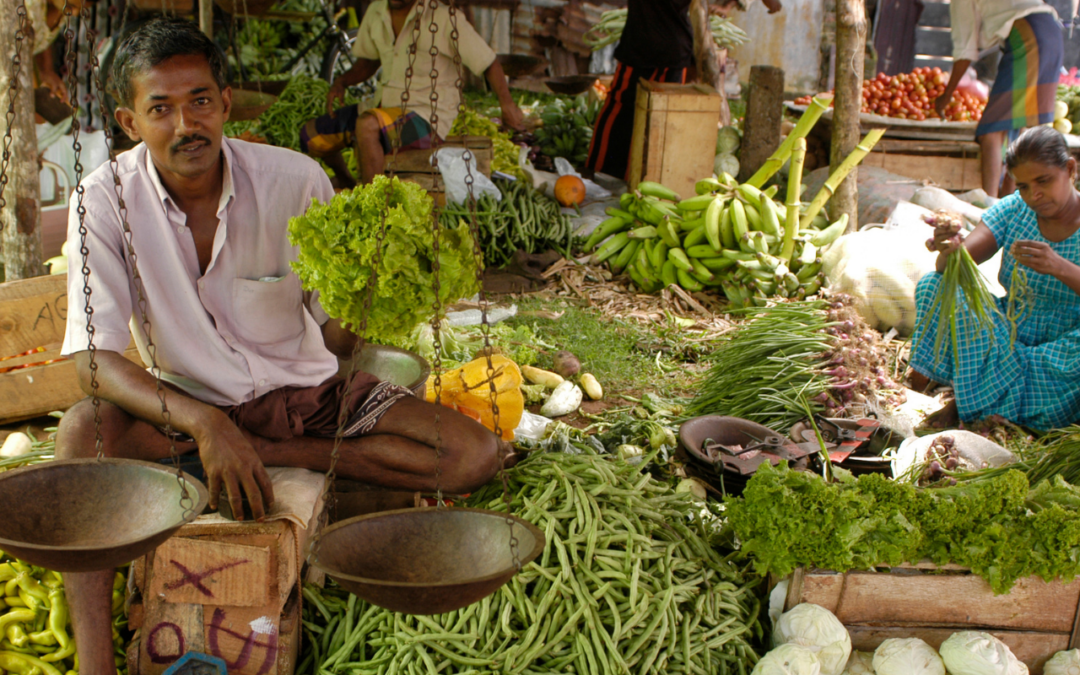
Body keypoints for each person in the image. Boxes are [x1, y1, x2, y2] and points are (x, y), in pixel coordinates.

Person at [54, 17, 505, 674]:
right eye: (161, 108)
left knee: (471, 452)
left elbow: (334, 339)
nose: (187, 124)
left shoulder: (296, 182)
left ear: (225, 103)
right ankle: (94, 664)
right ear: (128, 121)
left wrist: (368, 296)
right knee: (80, 433)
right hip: (184, 405)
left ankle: (272, 451)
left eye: (200, 101)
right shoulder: (101, 200)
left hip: (308, 396)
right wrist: (206, 423)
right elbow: (93, 359)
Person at [909, 126, 1080, 430]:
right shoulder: (1015, 209)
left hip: (1066, 345)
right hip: (1009, 328)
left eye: (1044, 181)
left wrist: (1059, 266)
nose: (1034, 195)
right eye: (1024, 186)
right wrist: (951, 247)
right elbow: (948, 268)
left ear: (1069, 169)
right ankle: (979, 405)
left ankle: (974, 404)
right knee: (934, 287)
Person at [299, 0, 524, 187]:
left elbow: (488, 63)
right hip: (381, 107)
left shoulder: (444, 18)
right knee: (312, 135)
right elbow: (368, 62)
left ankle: (373, 208)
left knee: (367, 126)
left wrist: (508, 106)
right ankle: (348, 181)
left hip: (426, 116)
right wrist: (341, 82)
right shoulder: (376, 11)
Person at [584, 0, 781, 181]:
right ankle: (629, 176)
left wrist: (732, 4)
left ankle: (610, 173)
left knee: (628, 110)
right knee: (647, 117)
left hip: (653, 47)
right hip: (663, 46)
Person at [934, 0, 1063, 197]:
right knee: (1023, 128)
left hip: (1028, 36)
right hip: (1051, 33)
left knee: (991, 131)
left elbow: (965, 53)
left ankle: (990, 204)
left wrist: (947, 94)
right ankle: (1007, 201)